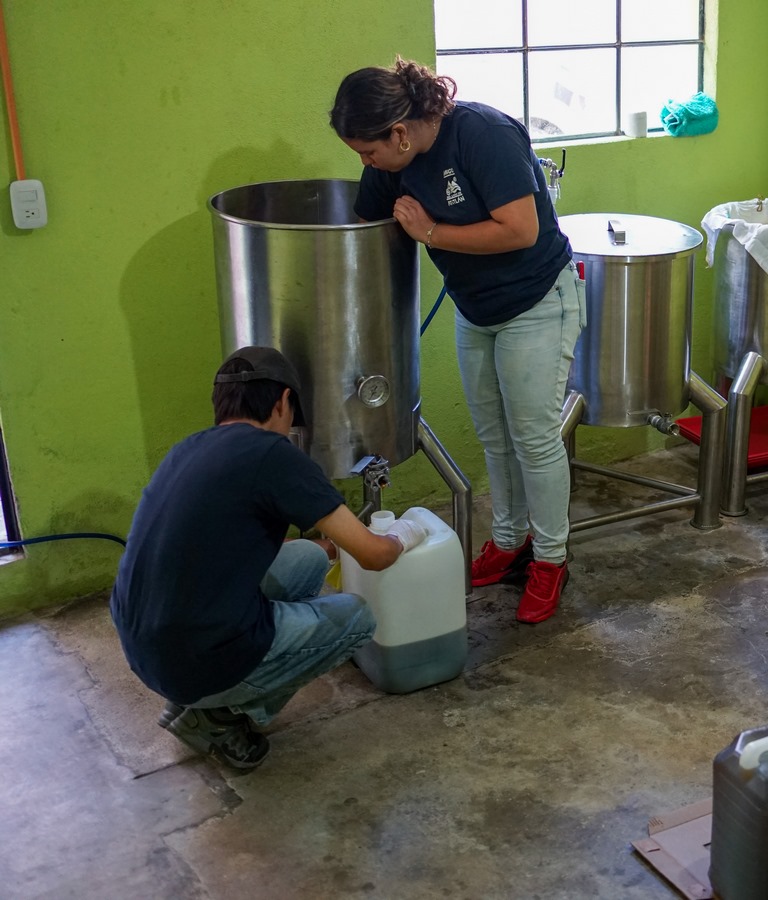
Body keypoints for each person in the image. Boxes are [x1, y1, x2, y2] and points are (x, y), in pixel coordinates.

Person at [329, 56, 582, 625]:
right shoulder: (391, 163)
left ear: (399, 132)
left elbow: (521, 230)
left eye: (368, 152)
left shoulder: (482, 134)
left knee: (534, 439)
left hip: (537, 302)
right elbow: (366, 224)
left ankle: (550, 559)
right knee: (495, 436)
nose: (366, 163)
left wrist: (431, 232)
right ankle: (510, 541)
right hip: (476, 308)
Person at [110, 346, 428, 770]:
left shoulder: (187, 449)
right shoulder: (273, 455)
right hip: (194, 659)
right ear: (282, 402)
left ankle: (192, 696)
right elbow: (374, 556)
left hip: (143, 645)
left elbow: (227, 544)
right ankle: (219, 716)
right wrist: (406, 533)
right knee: (357, 618)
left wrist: (332, 546)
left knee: (310, 557)